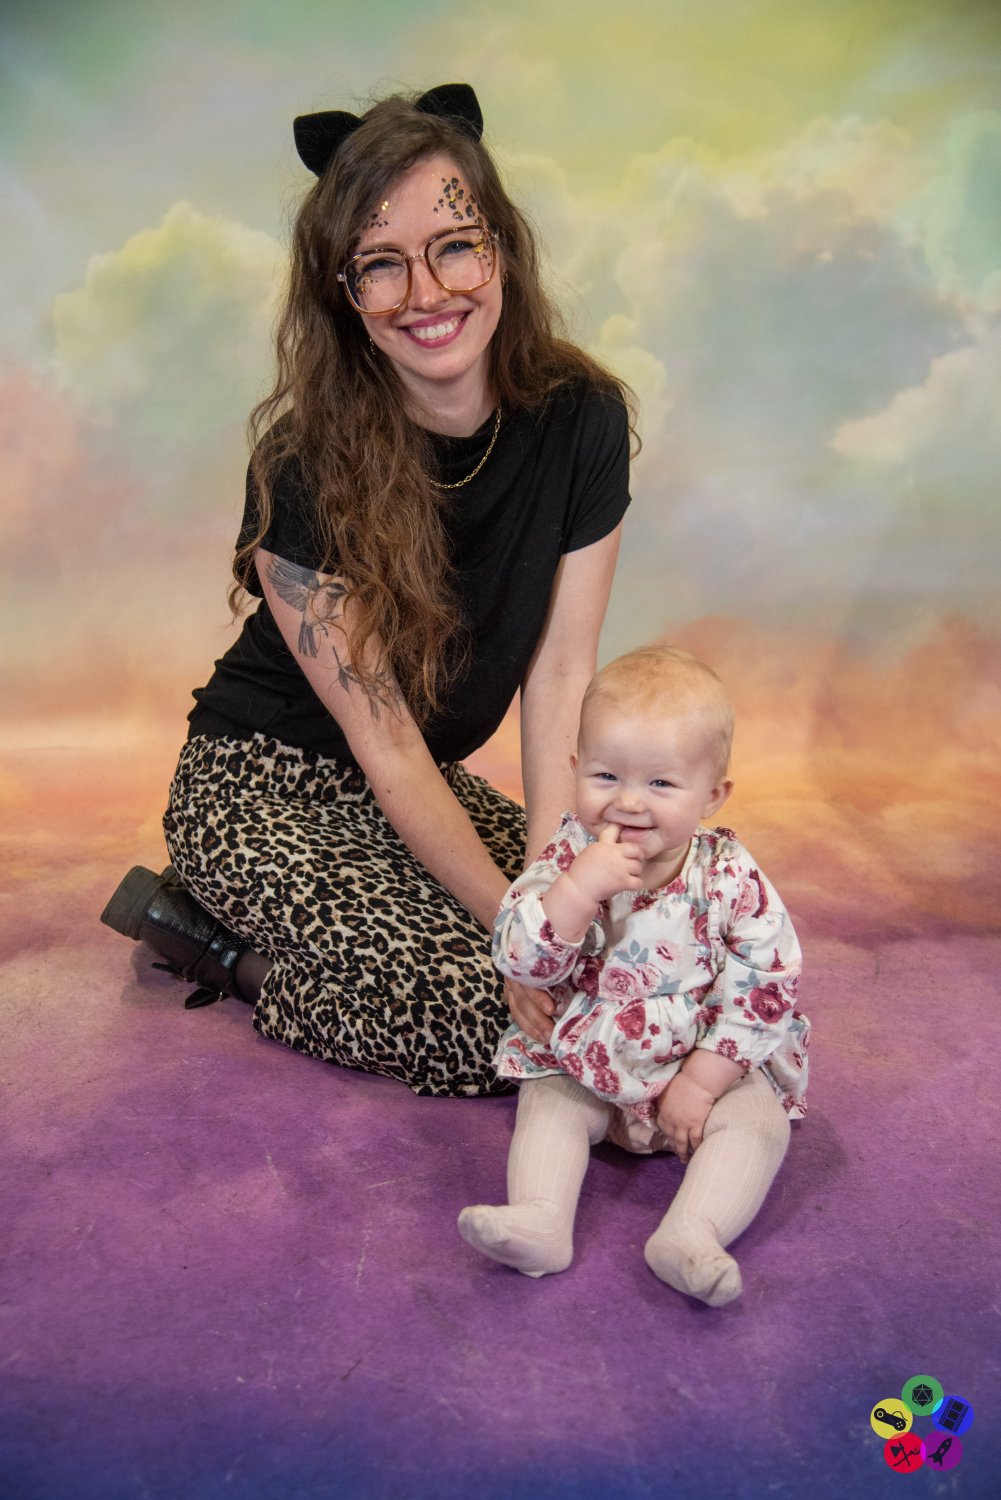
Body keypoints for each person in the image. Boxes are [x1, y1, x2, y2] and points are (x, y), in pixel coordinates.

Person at [100, 83, 633, 1099]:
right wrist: (521, 938)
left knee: (625, 949)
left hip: (410, 784)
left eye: (454, 246)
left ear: (502, 249)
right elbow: (383, 740)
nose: (425, 294)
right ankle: (215, 947)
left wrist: (548, 891)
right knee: (493, 1018)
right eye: (380, 264)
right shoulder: (301, 465)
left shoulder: (583, 421)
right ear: (343, 294)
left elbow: (562, 674)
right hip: (258, 788)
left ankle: (304, 945)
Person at [457, 645, 810, 1304]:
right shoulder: (567, 856)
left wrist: (702, 1081)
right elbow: (517, 959)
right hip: (588, 1057)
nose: (628, 802)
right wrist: (572, 894)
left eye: (661, 785)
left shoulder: (728, 875)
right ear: (574, 770)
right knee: (548, 1099)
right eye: (605, 776)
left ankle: (692, 1233)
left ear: (712, 795)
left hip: (700, 1063)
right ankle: (540, 1219)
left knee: (758, 1125)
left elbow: (767, 982)